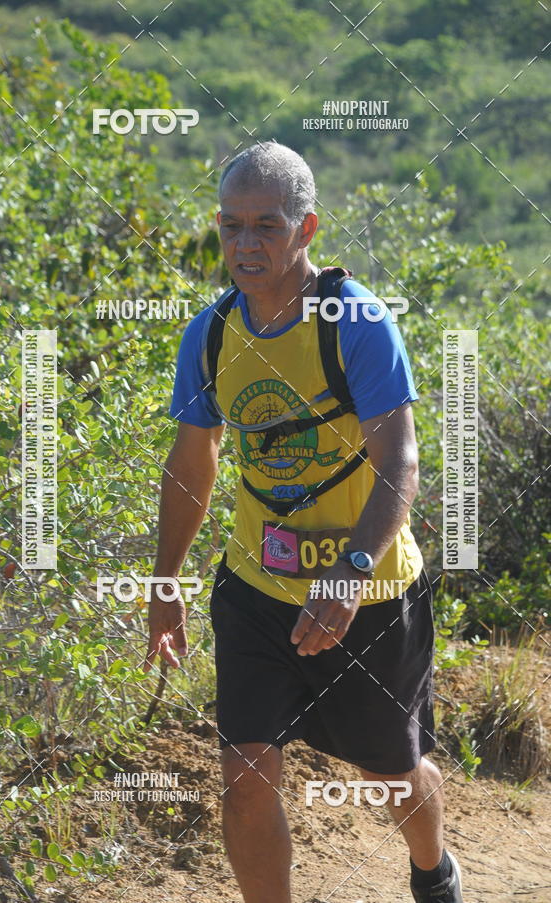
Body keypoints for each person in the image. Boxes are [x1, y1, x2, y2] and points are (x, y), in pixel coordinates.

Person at [144, 141, 463, 903]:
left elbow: (401, 461)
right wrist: (164, 581)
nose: (245, 244)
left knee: (392, 774)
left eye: (267, 225)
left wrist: (349, 575)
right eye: (231, 226)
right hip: (258, 586)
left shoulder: (356, 321)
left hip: (372, 593)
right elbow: (193, 464)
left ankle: (434, 868)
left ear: (307, 229)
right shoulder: (212, 334)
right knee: (245, 777)